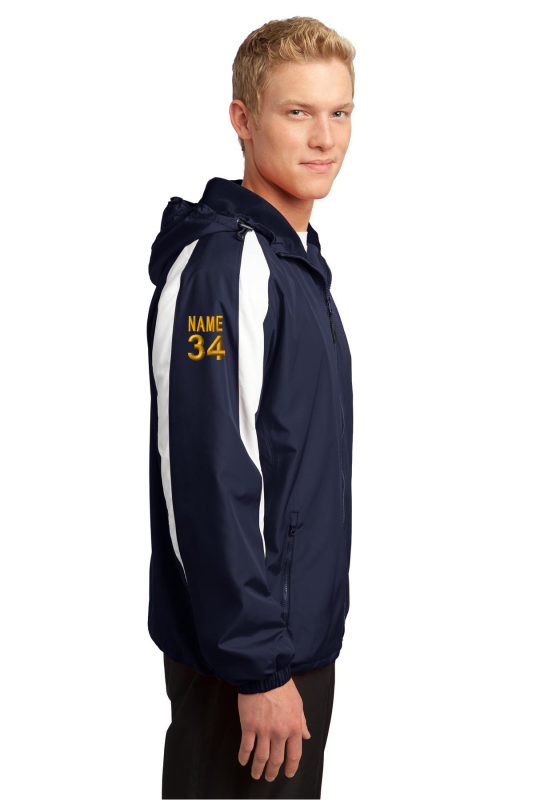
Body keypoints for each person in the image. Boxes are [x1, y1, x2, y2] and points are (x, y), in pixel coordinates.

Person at [146, 16, 355, 799]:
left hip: (289, 650)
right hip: (243, 668)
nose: (323, 137)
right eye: (297, 112)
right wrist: (257, 667)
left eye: (339, 112)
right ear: (243, 119)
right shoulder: (224, 268)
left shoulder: (290, 262)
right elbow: (207, 473)